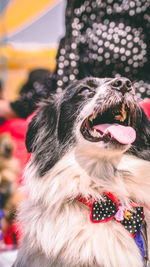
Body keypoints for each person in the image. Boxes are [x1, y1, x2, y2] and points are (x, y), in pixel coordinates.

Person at [0, 0, 150, 119]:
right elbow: (62, 79)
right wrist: (14, 107)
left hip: (138, 114)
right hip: (87, 115)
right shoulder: (79, 6)